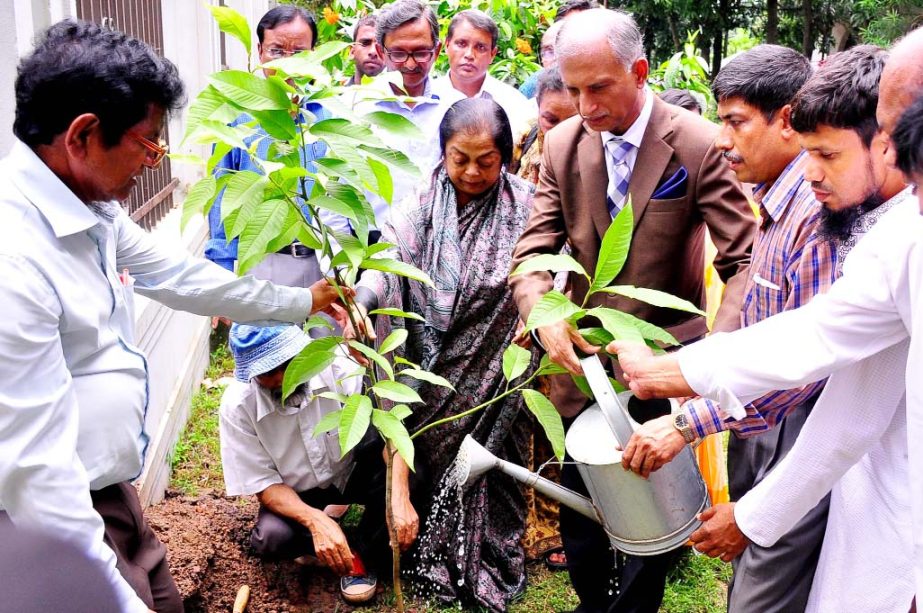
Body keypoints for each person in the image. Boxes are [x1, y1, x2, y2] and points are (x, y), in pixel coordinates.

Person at [0, 19, 343, 613]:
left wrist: (299, 302)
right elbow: (36, 478)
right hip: (56, 515)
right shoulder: (16, 261)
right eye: (148, 142)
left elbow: (182, 277)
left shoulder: (89, 209)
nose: (155, 161)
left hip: (108, 488)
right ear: (84, 135)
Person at [610, 43, 923, 612]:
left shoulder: (883, 227)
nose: (892, 155)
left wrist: (678, 388)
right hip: (876, 503)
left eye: (898, 136)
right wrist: (680, 374)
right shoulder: (900, 231)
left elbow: (814, 354)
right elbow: (843, 388)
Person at [508, 9, 755, 613]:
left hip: (662, 360)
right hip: (581, 362)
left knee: (651, 513)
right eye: (571, 88)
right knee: (586, 511)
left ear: (639, 72)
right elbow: (533, 250)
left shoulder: (695, 143)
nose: (584, 105)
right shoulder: (562, 144)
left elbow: (743, 258)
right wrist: (545, 313)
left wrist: (711, 358)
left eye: (599, 88)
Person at [348, 98, 536, 612]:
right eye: (460, 159)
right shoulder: (420, 208)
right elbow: (387, 261)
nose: (472, 172)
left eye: (486, 161)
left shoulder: (528, 207)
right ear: (443, 153)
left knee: (483, 468)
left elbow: (548, 267)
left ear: (507, 156)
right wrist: (363, 301)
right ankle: (396, 537)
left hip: (493, 374)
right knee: (417, 452)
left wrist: (537, 316)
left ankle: (476, 550)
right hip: (426, 373)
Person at [219, 324, 418, 604]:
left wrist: (399, 496)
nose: (281, 379)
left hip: (352, 470)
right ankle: (340, 543)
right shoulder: (237, 407)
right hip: (297, 490)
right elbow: (263, 484)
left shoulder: (339, 363)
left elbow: (389, 430)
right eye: (267, 373)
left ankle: (363, 546)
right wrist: (314, 521)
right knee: (272, 538)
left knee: (412, 479)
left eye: (288, 364)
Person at [206, 6, 332, 287]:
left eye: (298, 53)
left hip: (323, 266)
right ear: (260, 51)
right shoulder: (235, 115)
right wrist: (220, 275)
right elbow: (222, 194)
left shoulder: (331, 114)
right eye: (277, 51)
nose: (287, 64)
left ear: (315, 54)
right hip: (261, 262)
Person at [348, 0, 449, 228]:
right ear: (382, 52)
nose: (410, 64)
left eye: (421, 52)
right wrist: (343, 262)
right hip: (373, 247)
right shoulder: (355, 107)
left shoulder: (454, 107)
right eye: (398, 54)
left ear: (437, 50)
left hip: (436, 248)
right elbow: (337, 187)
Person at [433, 10, 532, 138]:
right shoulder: (427, 100)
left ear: (492, 54)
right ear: (447, 45)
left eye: (480, 47)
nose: (469, 55)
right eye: (461, 44)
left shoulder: (514, 104)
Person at [348, 14, 384, 85]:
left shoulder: (404, 95)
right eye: (365, 43)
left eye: (381, 46)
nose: (373, 51)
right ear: (352, 51)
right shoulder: (335, 96)